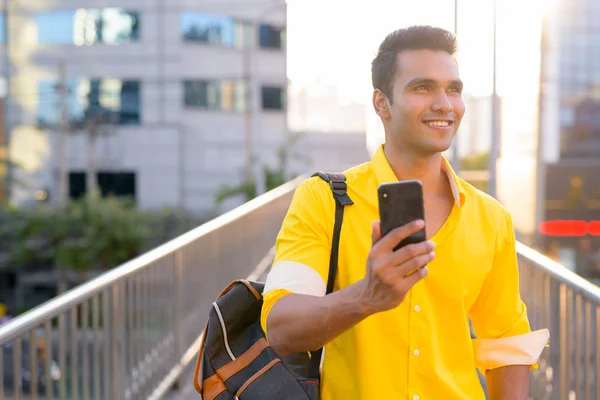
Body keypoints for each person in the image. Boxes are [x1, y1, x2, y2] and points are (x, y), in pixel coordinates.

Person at [260, 25, 549, 399]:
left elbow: (507, 344)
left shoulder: (491, 218)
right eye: (423, 87)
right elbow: (281, 327)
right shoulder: (323, 200)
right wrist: (365, 296)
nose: (445, 103)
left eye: (454, 89)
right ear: (382, 103)